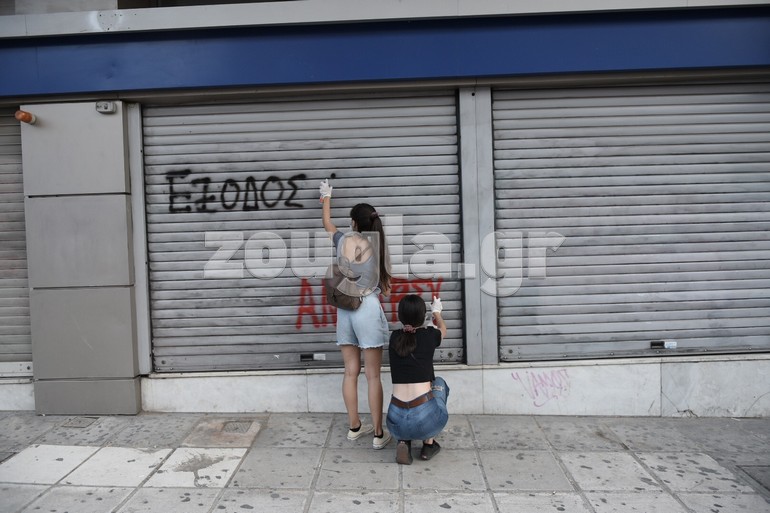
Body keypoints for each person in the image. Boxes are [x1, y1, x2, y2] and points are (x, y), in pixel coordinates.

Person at [319, 178, 392, 450]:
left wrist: (327, 196)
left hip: (345, 309)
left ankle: (354, 427)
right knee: (372, 375)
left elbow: (327, 223)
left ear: (353, 223)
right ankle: (378, 434)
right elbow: (386, 289)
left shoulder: (343, 240)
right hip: (367, 308)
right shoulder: (378, 246)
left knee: (350, 372)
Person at [386, 294, 449, 465]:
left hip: (394, 420)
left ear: (400, 315)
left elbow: (412, 338)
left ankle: (403, 440)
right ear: (422, 316)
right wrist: (436, 312)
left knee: (405, 413)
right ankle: (428, 445)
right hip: (425, 420)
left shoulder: (394, 338)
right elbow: (443, 329)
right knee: (440, 383)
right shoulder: (430, 336)